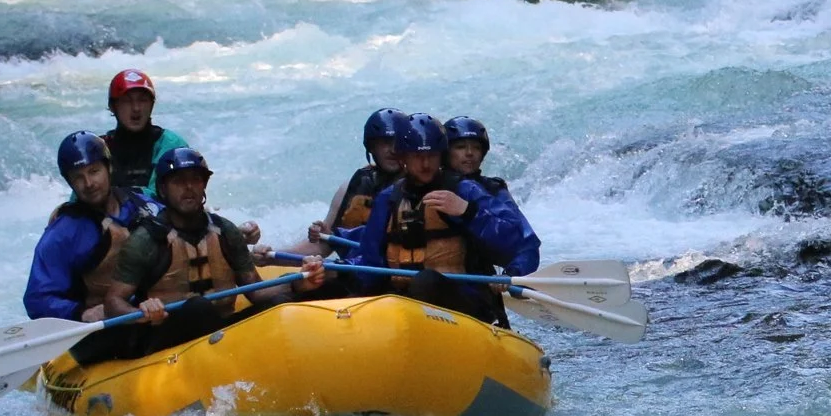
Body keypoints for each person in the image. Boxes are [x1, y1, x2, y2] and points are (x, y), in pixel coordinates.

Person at [108, 147, 322, 357]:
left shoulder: (226, 232)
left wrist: (297, 283)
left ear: (204, 185)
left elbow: (255, 291)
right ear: (163, 189)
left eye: (195, 180)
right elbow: (113, 302)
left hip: (223, 332)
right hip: (170, 340)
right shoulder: (146, 240)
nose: (189, 187)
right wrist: (141, 313)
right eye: (179, 182)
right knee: (198, 309)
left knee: (279, 304)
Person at [343, 113, 532, 326]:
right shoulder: (389, 197)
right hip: (402, 302)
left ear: (441, 156)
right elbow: (370, 262)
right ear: (403, 158)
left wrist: (468, 212)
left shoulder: (465, 190)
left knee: (425, 281)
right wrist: (334, 272)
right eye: (417, 156)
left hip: (466, 302)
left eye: (432, 156)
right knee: (342, 285)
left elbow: (516, 243)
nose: (425, 164)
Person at [23, 133, 157, 364]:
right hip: (107, 331)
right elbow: (37, 298)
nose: (89, 183)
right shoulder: (63, 233)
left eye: (94, 171)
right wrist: (80, 313)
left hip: (157, 311)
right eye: (78, 177)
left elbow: (183, 229)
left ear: (108, 168)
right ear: (71, 183)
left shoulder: (143, 203)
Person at [442, 115, 541, 277]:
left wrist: (512, 273)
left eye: (476, 148)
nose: (469, 153)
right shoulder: (418, 183)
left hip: (475, 283)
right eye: (460, 147)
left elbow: (527, 244)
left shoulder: (494, 190)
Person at [309, 110, 405, 246]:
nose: (393, 150)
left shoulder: (424, 187)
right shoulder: (353, 186)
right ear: (371, 147)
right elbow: (322, 248)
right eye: (385, 142)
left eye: (399, 142)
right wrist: (271, 256)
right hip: (361, 263)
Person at [102, 69, 190, 196]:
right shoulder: (99, 149)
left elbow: (164, 197)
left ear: (152, 104)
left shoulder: (171, 144)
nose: (136, 108)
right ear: (112, 106)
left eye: (142, 100)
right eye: (127, 101)